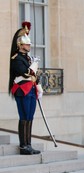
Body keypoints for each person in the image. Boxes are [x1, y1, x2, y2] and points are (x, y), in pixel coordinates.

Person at [9, 21, 43, 155]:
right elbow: (25, 72)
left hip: (31, 90)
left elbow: (34, 75)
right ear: (20, 45)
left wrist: (39, 87)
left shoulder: (28, 58)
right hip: (22, 89)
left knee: (30, 117)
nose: (29, 46)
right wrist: (34, 66)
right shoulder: (16, 58)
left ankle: (28, 144)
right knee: (24, 116)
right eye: (27, 44)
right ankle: (23, 146)